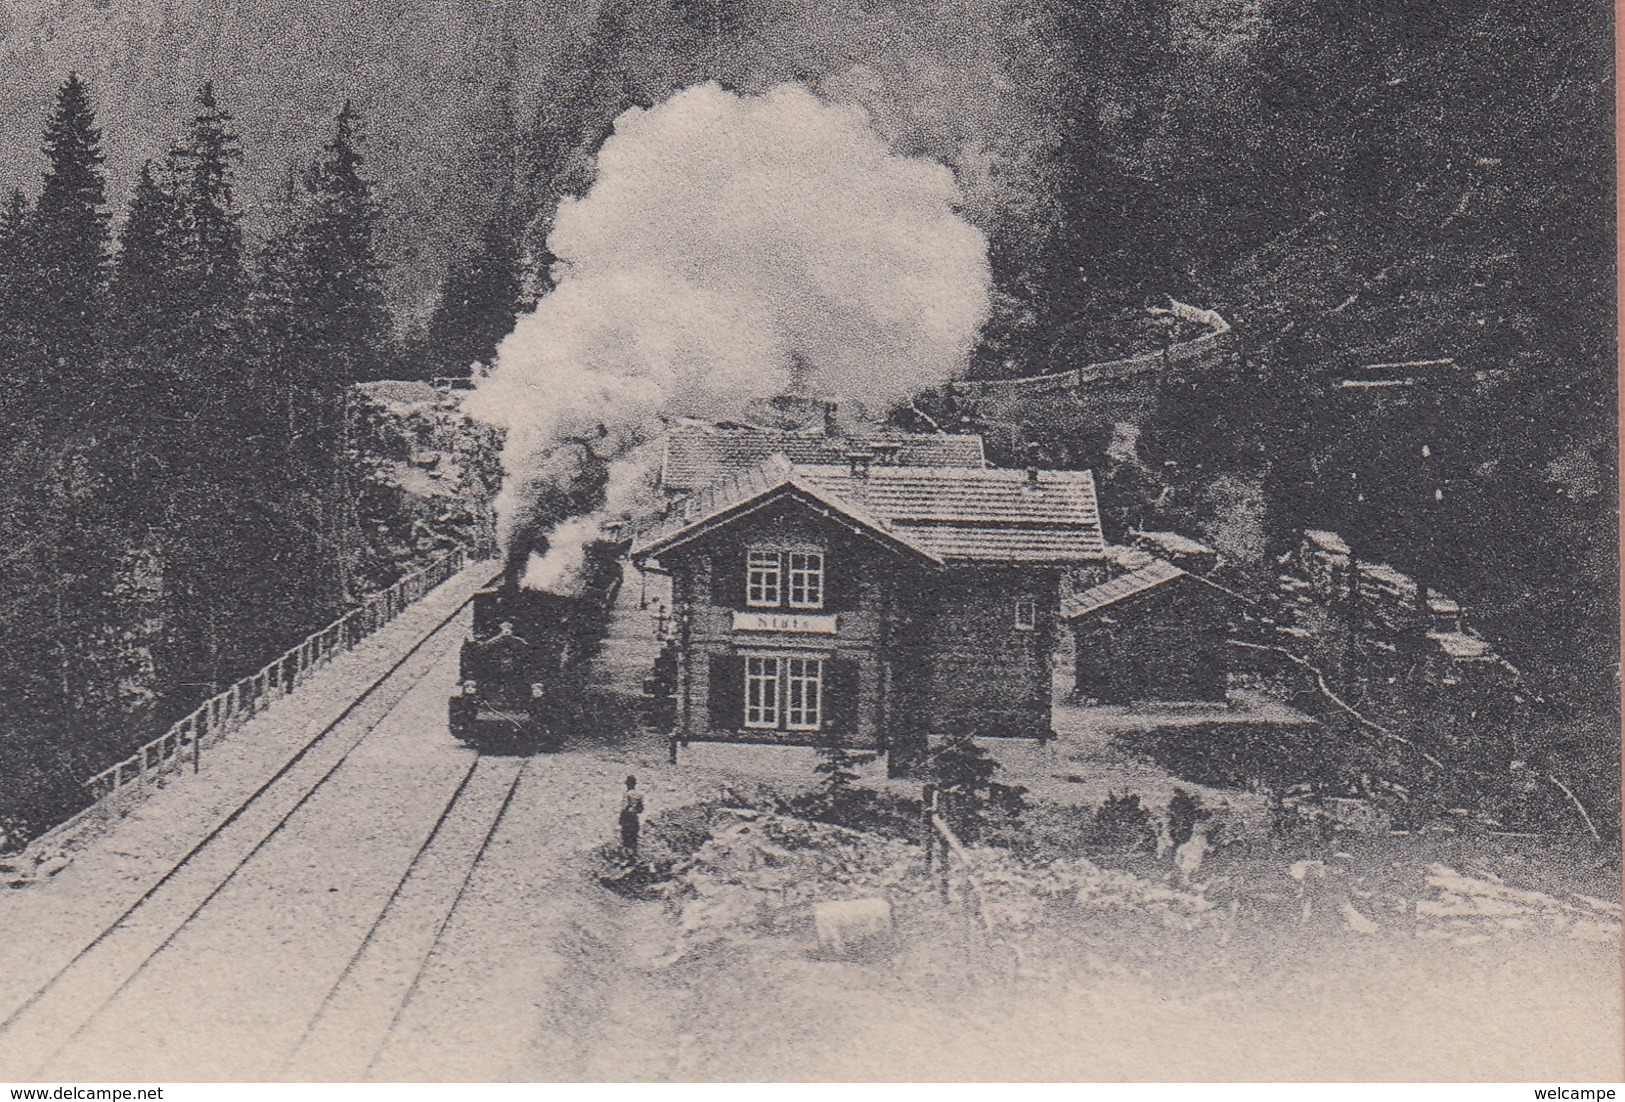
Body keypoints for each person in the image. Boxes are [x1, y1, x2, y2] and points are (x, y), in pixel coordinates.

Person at [619, 775, 645, 857]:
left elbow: (624, 807)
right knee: (634, 838)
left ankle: (626, 857)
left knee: (626, 838)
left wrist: (620, 819)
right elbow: (641, 809)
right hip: (635, 819)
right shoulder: (639, 795)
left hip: (627, 818)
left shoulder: (627, 794)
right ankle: (634, 856)